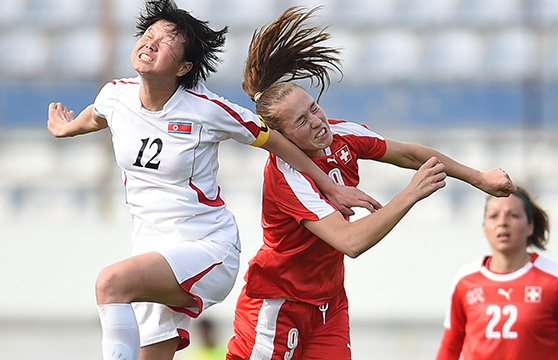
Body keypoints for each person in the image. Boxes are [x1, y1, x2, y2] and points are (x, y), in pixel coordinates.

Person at [46, 1, 380, 360]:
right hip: (150, 252)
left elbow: (275, 139)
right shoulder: (115, 95)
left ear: (184, 67)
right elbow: (96, 117)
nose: (151, 42)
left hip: (206, 247)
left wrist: (327, 184)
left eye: (167, 42)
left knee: (110, 283)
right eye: (148, 34)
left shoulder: (206, 109)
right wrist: (67, 129)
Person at [225, 6, 517, 360]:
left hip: (328, 304)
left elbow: (409, 155)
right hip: (279, 304)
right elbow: (350, 241)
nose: (318, 122)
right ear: (283, 137)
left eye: (314, 108)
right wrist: (409, 194)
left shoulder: (342, 134)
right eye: (301, 121)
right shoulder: (287, 176)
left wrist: (479, 178)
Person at [436, 186, 558, 359]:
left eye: (513, 215)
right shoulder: (465, 280)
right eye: (493, 216)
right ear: (485, 227)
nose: (502, 222)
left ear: (530, 227)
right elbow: (449, 348)